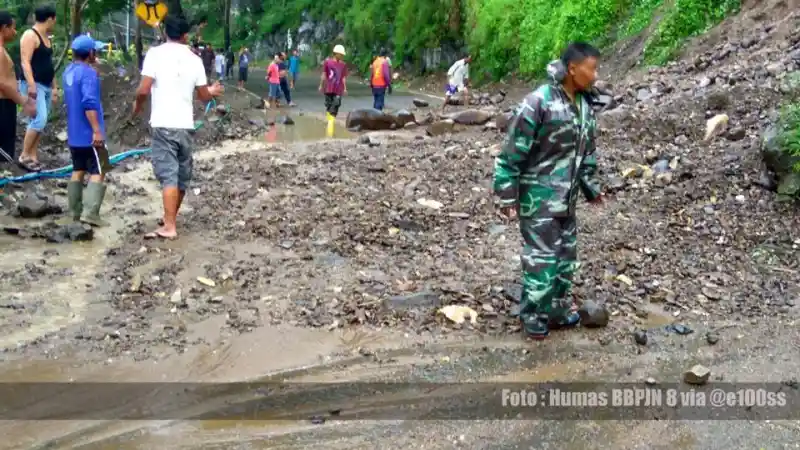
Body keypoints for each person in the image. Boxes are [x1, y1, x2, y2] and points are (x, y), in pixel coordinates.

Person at [493, 42, 604, 339]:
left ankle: (555, 310)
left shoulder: (584, 104)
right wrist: (506, 195)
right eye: (592, 69)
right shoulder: (538, 102)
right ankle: (532, 314)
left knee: (566, 259)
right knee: (542, 260)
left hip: (567, 200)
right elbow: (511, 153)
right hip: (538, 199)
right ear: (573, 69)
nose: (595, 75)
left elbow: (586, 151)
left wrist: (591, 188)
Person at [133, 14, 224, 240]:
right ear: (185, 35)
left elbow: (143, 89)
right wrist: (212, 91)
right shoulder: (195, 59)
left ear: (165, 32)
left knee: (168, 176)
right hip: (185, 126)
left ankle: (169, 226)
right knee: (181, 176)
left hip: (164, 125)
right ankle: (170, 218)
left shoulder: (155, 54)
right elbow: (203, 96)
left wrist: (137, 107)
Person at [60, 34, 111, 226]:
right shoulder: (88, 74)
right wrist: (97, 130)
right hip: (89, 134)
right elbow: (89, 103)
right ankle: (90, 213)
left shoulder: (68, 72)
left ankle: (74, 212)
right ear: (90, 53)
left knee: (78, 169)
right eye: (94, 51)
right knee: (99, 169)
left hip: (74, 134)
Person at [18, 4, 58, 172]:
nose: (55, 22)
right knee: (39, 119)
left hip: (46, 84)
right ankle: (24, 155)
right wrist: (32, 86)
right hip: (34, 84)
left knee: (41, 121)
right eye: (54, 19)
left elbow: (48, 64)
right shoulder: (30, 35)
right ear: (50, 19)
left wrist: (55, 87)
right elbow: (25, 62)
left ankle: (33, 155)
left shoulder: (46, 37)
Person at [0, 11, 36, 164]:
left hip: (7, 103)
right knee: (4, 153)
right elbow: (2, 83)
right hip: (3, 104)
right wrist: (23, 101)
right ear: (4, 28)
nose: (15, 32)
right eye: (12, 28)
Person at [319, 44, 347, 136]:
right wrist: (321, 85)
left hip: (338, 89)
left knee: (335, 106)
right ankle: (329, 126)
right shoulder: (328, 62)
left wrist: (345, 88)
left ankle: (330, 131)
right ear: (336, 53)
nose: (342, 56)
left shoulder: (343, 65)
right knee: (328, 106)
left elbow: (343, 77)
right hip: (328, 88)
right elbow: (324, 74)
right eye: (341, 54)